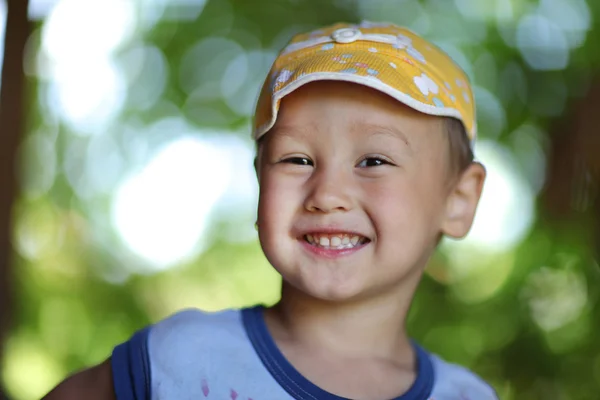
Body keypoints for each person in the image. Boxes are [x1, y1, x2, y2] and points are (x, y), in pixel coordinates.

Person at [43, 21, 498, 400]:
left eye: (373, 161)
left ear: (458, 202)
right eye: (297, 160)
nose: (327, 193)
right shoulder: (177, 361)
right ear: (261, 180)